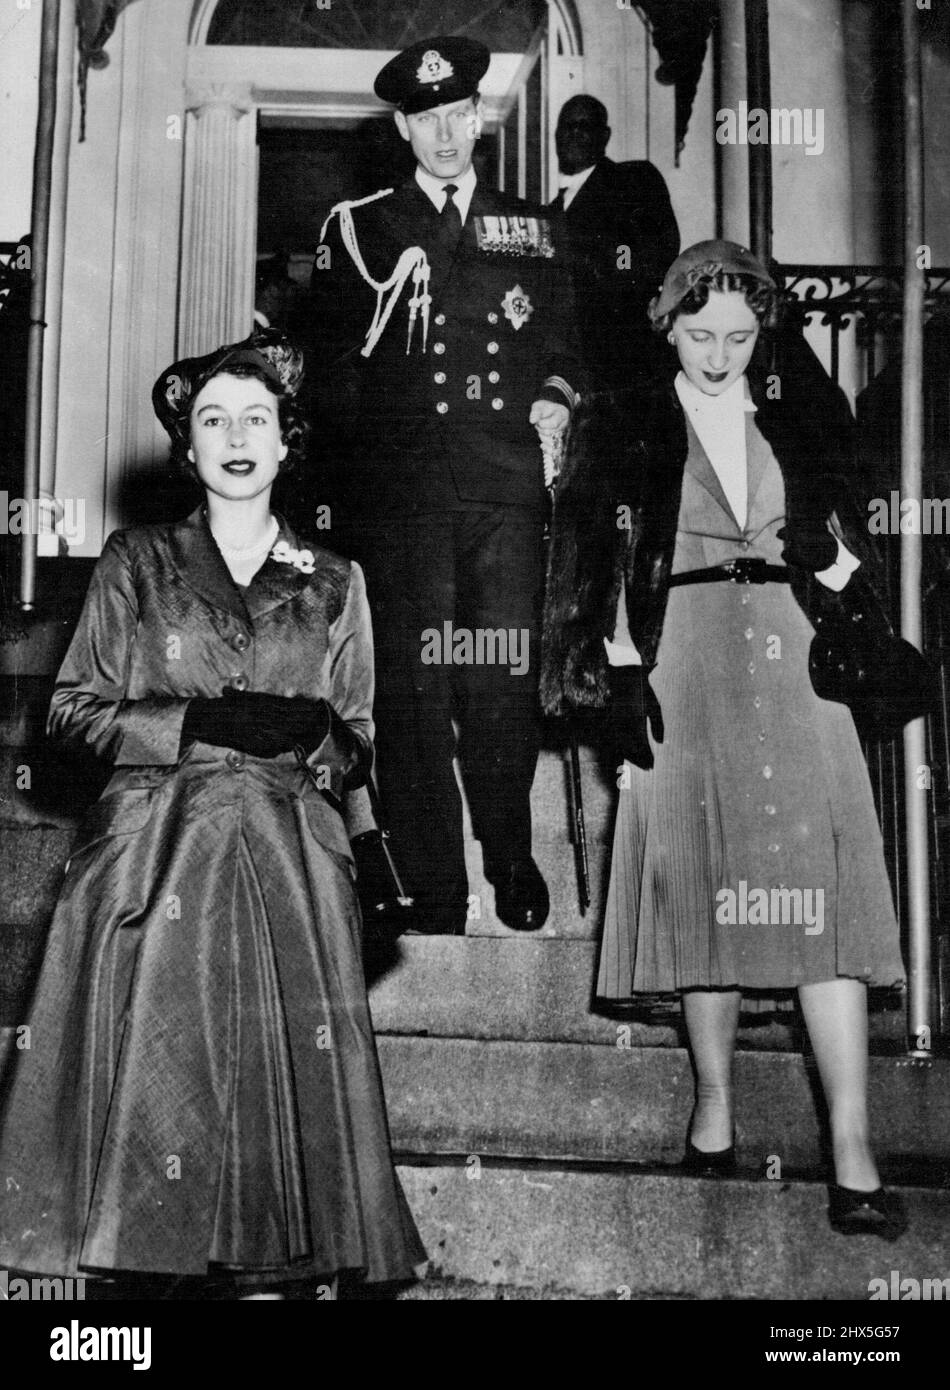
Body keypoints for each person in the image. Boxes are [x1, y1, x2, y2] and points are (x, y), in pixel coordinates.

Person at [0, 329, 425, 1296]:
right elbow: (69, 712)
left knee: (283, 1164)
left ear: (286, 443)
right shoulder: (136, 560)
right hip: (159, 859)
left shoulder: (337, 581)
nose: (237, 436)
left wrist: (310, 738)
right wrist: (192, 721)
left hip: (290, 864)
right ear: (187, 449)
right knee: (161, 1130)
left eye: (257, 419)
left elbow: (359, 740)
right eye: (213, 420)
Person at [541, 241, 909, 1239]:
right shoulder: (623, 417)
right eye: (700, 334)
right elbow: (592, 558)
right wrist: (612, 675)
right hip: (682, 657)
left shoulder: (795, 408)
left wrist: (830, 564)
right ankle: (711, 1111)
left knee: (822, 892)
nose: (719, 353)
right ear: (667, 325)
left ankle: (851, 1155)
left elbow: (848, 556)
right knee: (704, 882)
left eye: (739, 336)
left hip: (796, 659)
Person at [310, 36, 582, 935]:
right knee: (417, 687)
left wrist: (553, 398)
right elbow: (335, 375)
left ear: (481, 115)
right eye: (424, 117)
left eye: (458, 112)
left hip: (505, 489)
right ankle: (435, 881)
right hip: (406, 495)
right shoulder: (363, 226)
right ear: (402, 125)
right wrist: (348, 501)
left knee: (499, 679)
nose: (444, 132)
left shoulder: (533, 229)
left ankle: (508, 853)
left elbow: (568, 352)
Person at [548, 95, 679, 389]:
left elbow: (655, 253)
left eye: (584, 126)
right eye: (566, 127)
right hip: (573, 363)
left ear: (604, 135)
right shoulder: (551, 211)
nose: (574, 134)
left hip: (627, 359)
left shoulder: (633, 180)